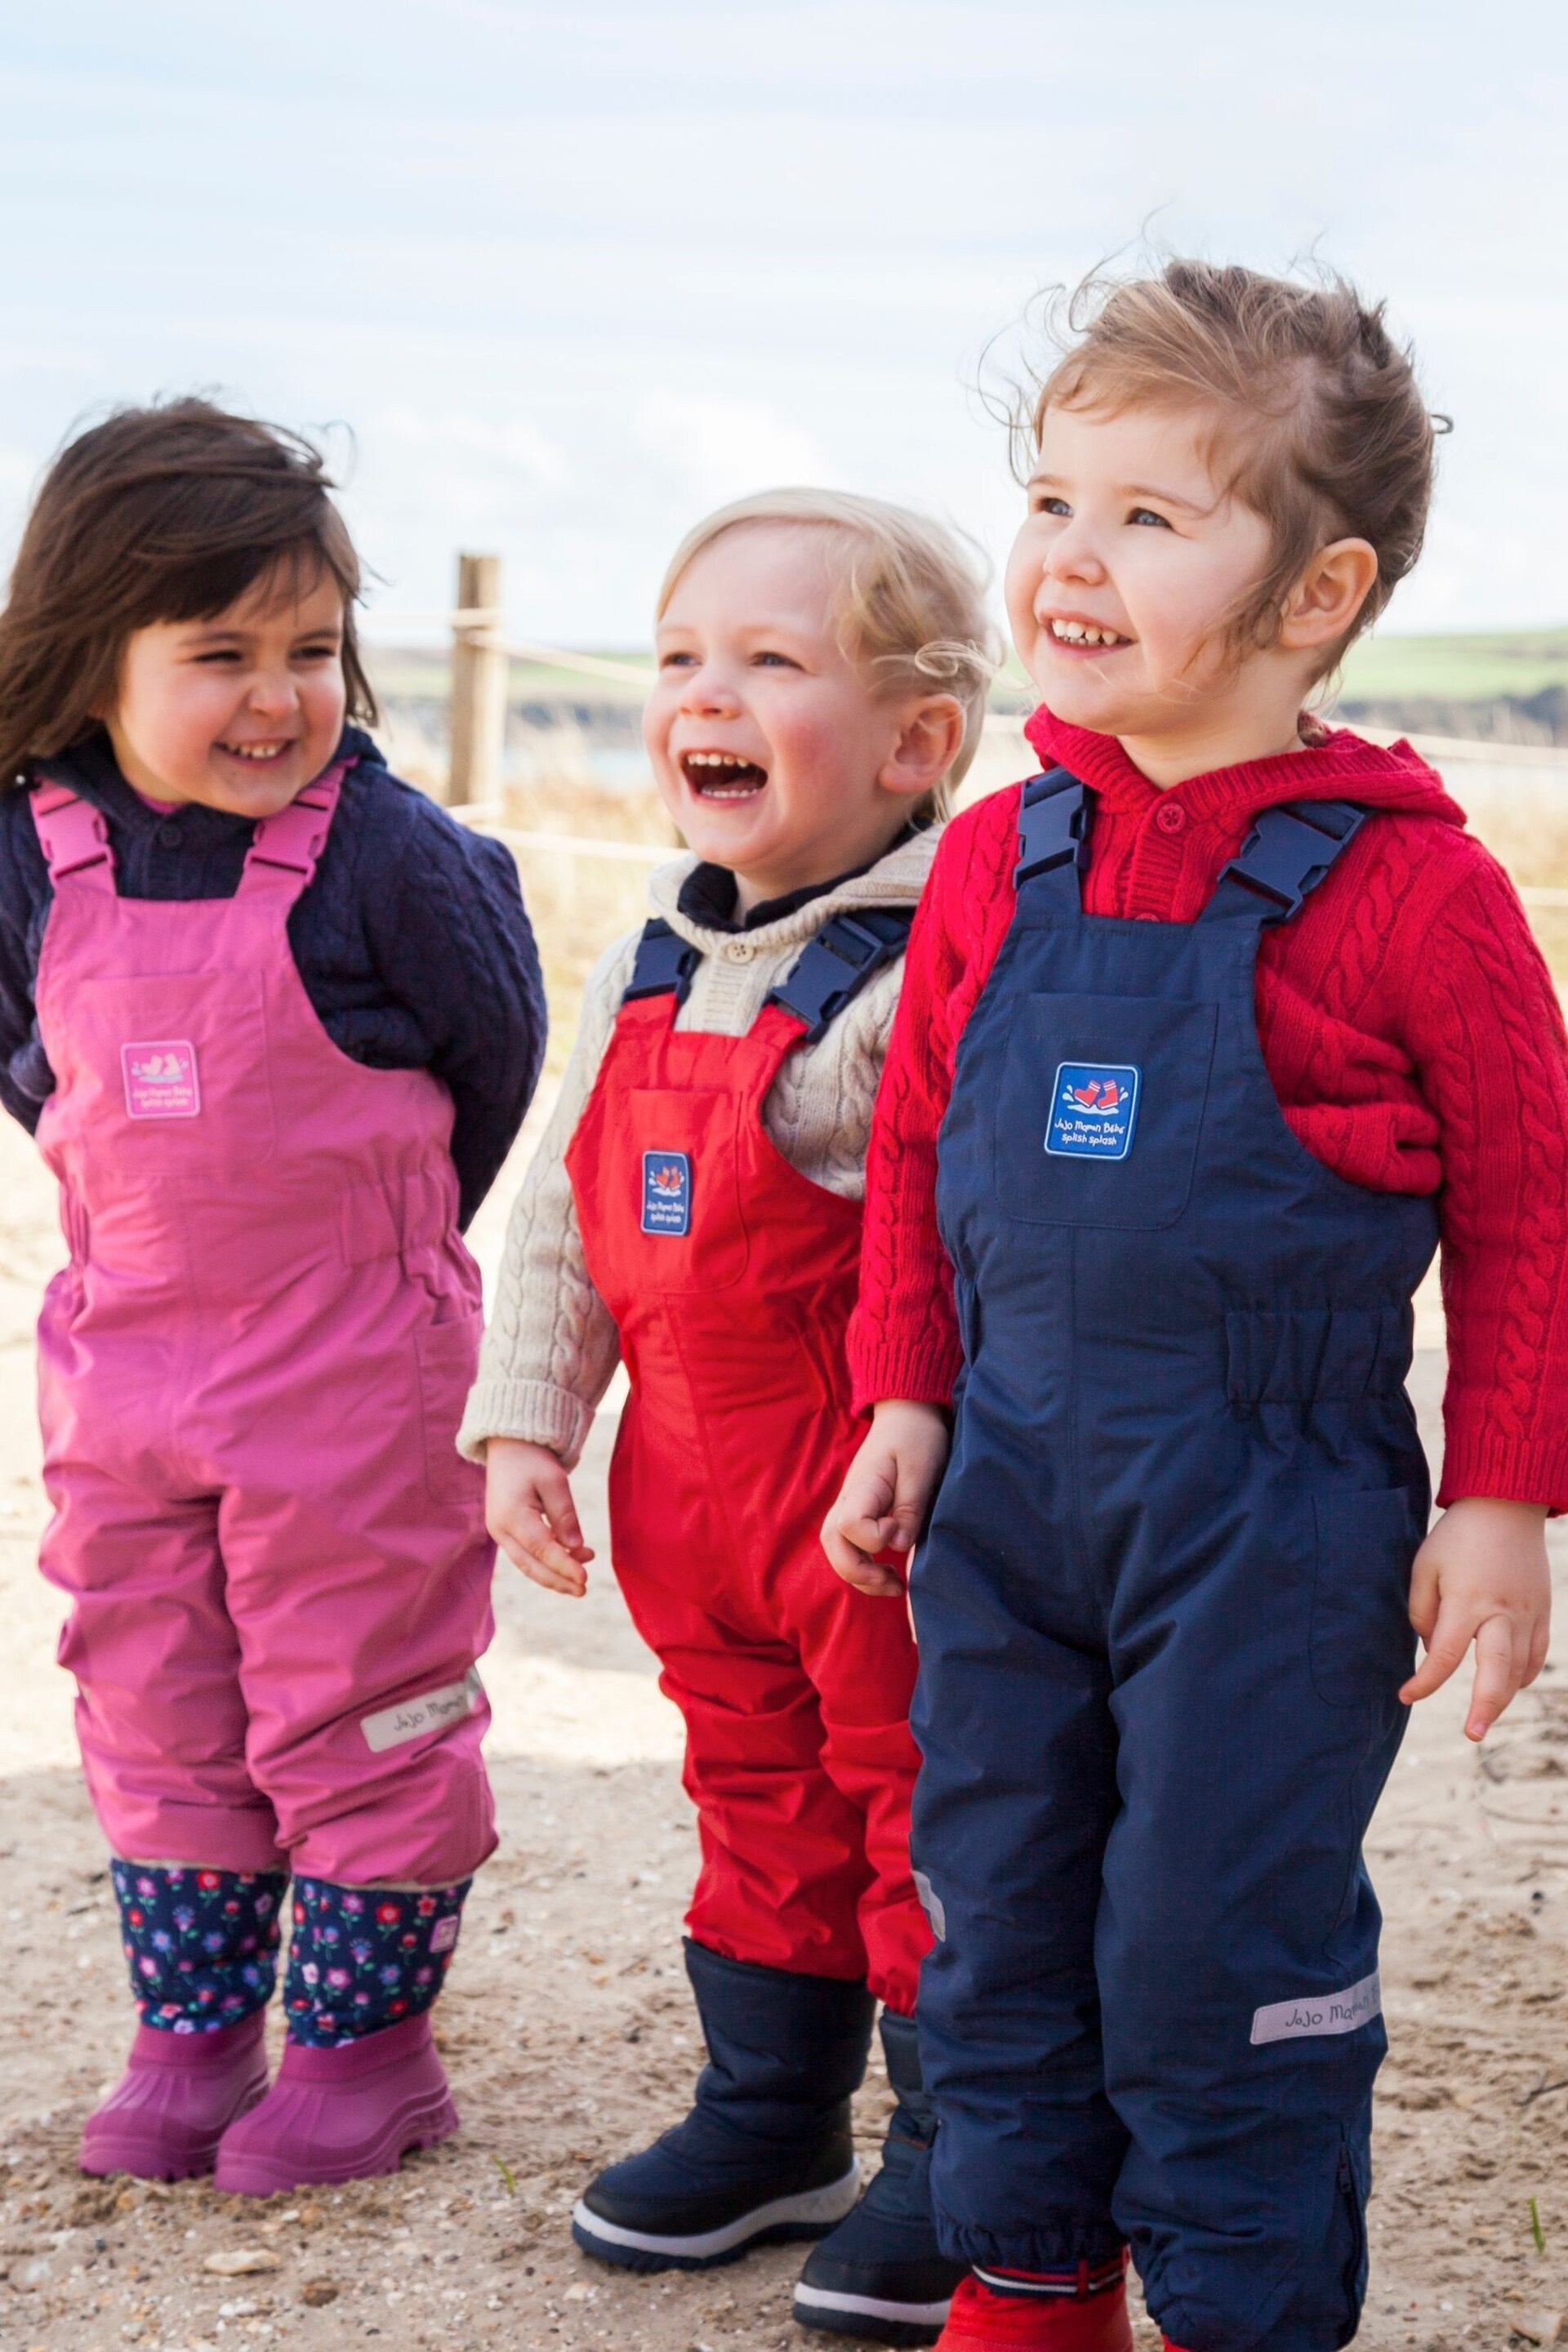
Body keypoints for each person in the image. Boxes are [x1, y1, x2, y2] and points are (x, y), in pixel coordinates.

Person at [824, 262, 1568, 2352]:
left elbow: (1534, 1205)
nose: (1071, 554)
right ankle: (1033, 2277)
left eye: (1151, 517)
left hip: (1272, 1510)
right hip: (1012, 1495)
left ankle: (1243, 2306)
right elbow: (911, 1153)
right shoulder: (996, 859)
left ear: (1316, 593)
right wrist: (906, 1394)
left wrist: (1501, 1497)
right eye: (1053, 497)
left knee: (1214, 1946)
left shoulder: (1414, 887)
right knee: (996, 1913)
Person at [462, 489, 995, 2344]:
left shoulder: (936, 958)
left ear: (923, 742)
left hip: (864, 1496)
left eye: (776, 661)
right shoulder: (652, 949)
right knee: (750, 1789)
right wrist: (527, 1414)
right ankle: (774, 2114)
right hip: (683, 1480)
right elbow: (565, 1207)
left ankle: (956, 2144)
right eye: (685, 656)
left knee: (914, 1797)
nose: (711, 692)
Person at [0, 399, 546, 2194]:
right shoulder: (29, 846)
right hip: (128, 1370)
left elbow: (491, 1046)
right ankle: (195, 2031)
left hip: (355, 1374)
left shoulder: (384, 854)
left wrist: (382, 1242)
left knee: (361, 1693)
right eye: (218, 654)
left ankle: (369, 2050)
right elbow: (36, 1061)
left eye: (311, 650)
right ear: (92, 660)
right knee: (153, 1690)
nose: (278, 697)